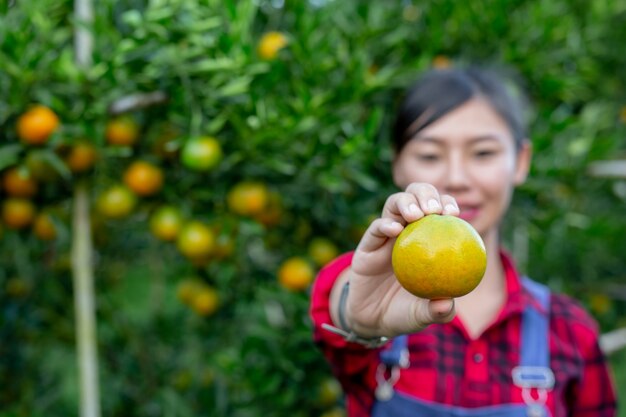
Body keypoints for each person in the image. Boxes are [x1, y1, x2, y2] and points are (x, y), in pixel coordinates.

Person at [309, 66, 617, 417]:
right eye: (429, 155)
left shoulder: (570, 331)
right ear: (398, 164)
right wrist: (358, 321)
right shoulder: (388, 315)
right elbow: (343, 305)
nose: (456, 178)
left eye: (483, 153)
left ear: (521, 162)